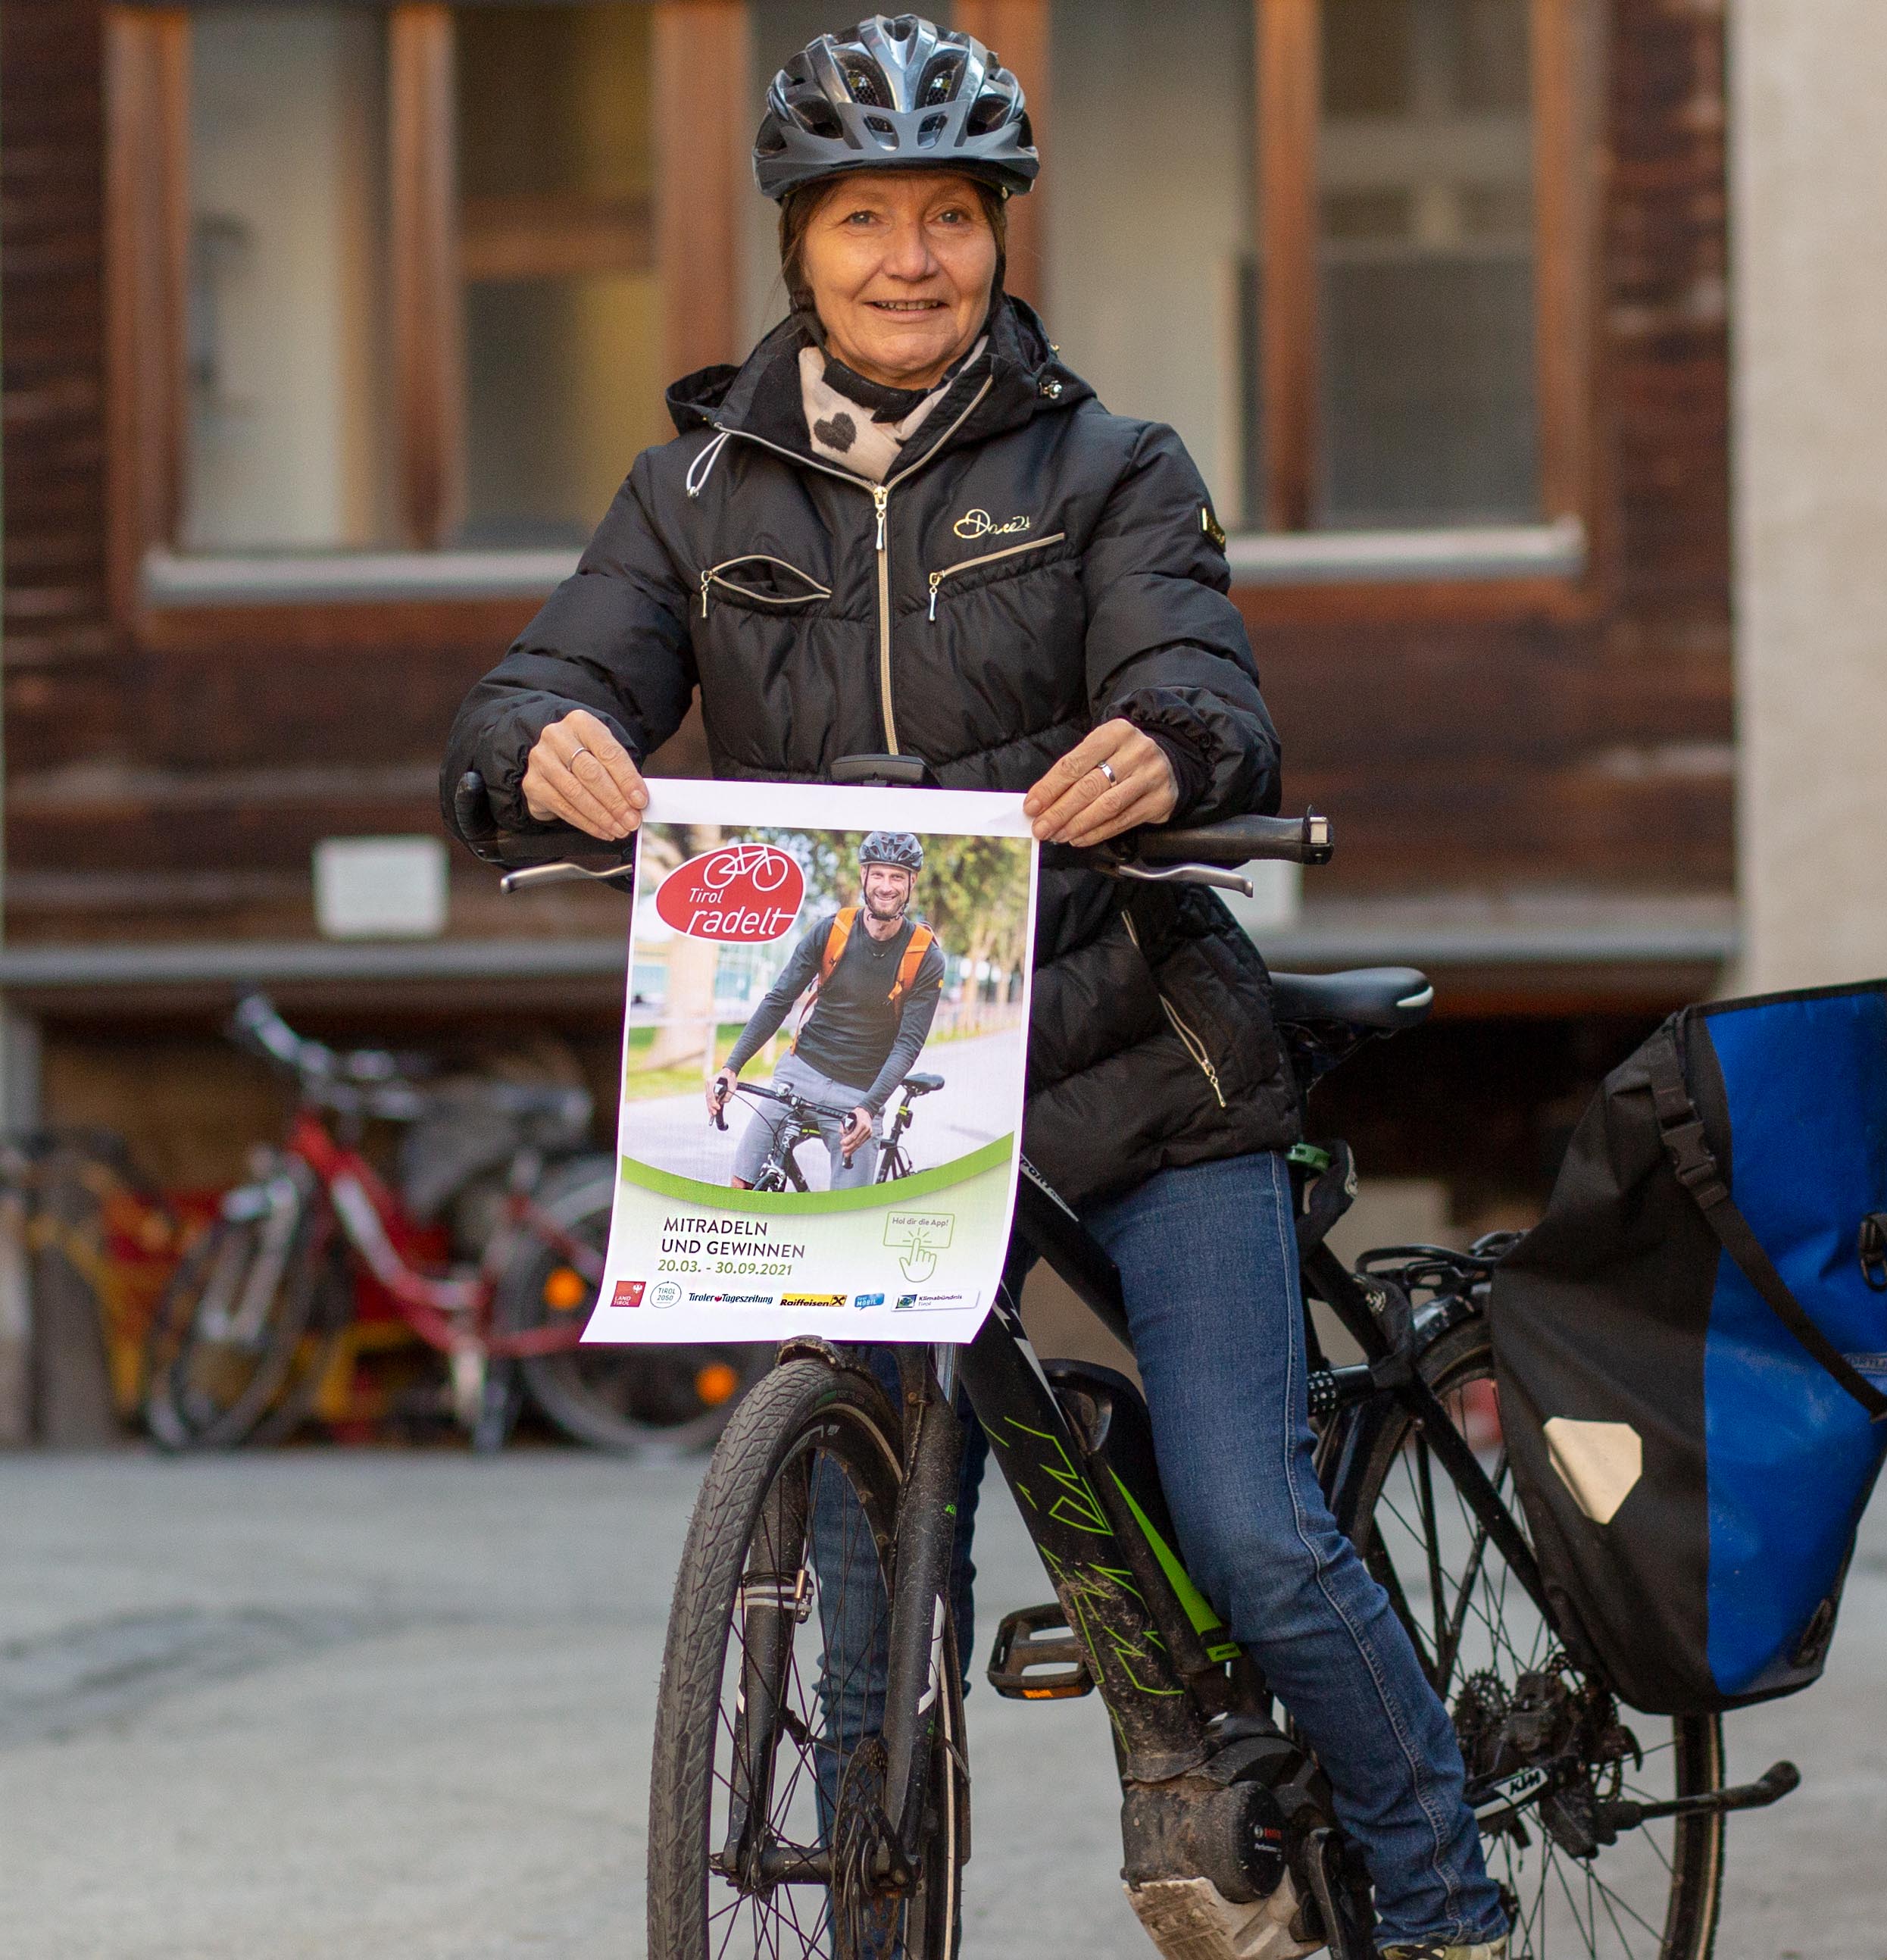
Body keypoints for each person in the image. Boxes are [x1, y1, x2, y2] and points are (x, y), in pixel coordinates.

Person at [437, 18, 1507, 1957]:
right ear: (800, 244)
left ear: (1001, 237)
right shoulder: (689, 496)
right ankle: (868, 1917)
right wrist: (545, 746)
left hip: (1133, 1063)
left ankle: (1444, 1907)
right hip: (862, 1098)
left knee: (1258, 1531)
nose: (910, 256)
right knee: (863, 1570)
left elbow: (1203, 686)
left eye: (950, 214)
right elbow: (545, 678)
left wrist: (1170, 748)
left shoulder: (1108, 464)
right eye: (867, 217)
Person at [711, 828, 942, 1188]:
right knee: (742, 1184)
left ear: (912, 882)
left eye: (897, 876)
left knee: (848, 1217)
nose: (886, 886)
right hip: (799, 1074)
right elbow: (778, 1001)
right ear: (863, 875)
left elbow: (908, 1043)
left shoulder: (925, 955)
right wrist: (731, 1066)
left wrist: (870, 1106)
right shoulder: (830, 931)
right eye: (878, 873)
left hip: (860, 1092)